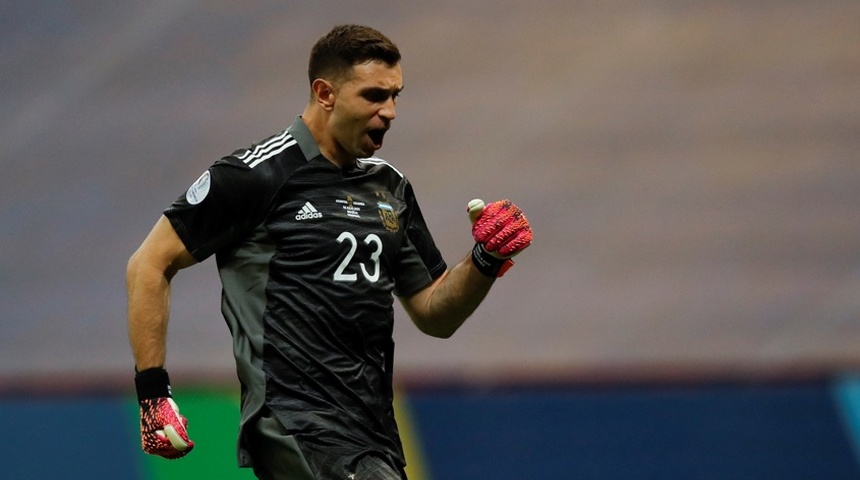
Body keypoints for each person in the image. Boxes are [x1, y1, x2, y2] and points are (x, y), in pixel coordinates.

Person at [127, 24, 533, 480]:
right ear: (325, 93)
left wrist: (485, 260)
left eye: (396, 95)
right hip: (292, 420)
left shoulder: (390, 187)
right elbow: (149, 264)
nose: (391, 111)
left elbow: (434, 313)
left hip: (373, 432)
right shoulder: (255, 175)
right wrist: (153, 395)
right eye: (375, 96)